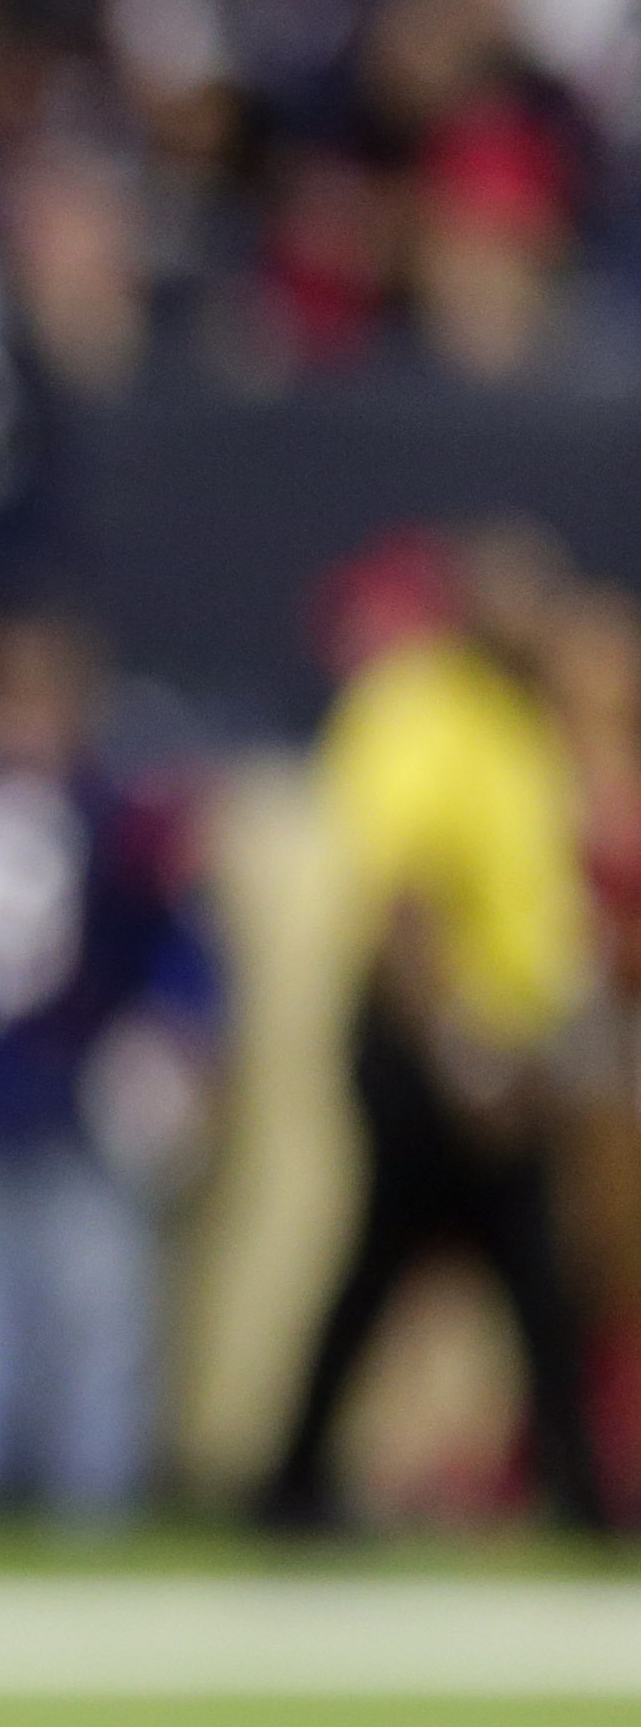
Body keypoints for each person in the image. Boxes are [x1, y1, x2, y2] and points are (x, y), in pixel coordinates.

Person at [263, 525, 610, 1539]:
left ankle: (566, 1489)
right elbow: (404, 902)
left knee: (506, 1277)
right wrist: (464, 1055)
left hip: (505, 1048)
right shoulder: (421, 707)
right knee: (451, 1268)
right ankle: (297, 1483)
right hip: (430, 1049)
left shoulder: (516, 723)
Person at [0, 611, 213, 1526]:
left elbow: (179, 951)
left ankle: (92, 1501)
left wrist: (175, 1042)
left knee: (96, 1317)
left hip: (78, 1105)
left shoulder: (121, 824)